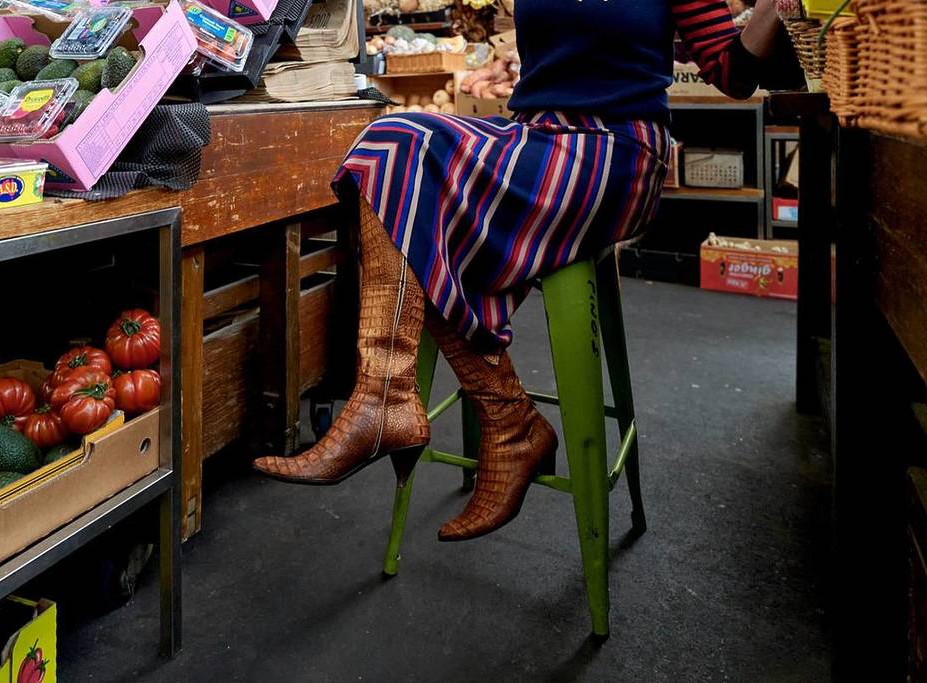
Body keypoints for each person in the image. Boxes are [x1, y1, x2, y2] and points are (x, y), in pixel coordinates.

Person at [255, 0, 785, 541]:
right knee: (390, 146)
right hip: (536, 137)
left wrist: (776, 4)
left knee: (420, 201)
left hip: (616, 153)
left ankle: (475, 420)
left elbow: (733, 75)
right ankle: (410, 402)